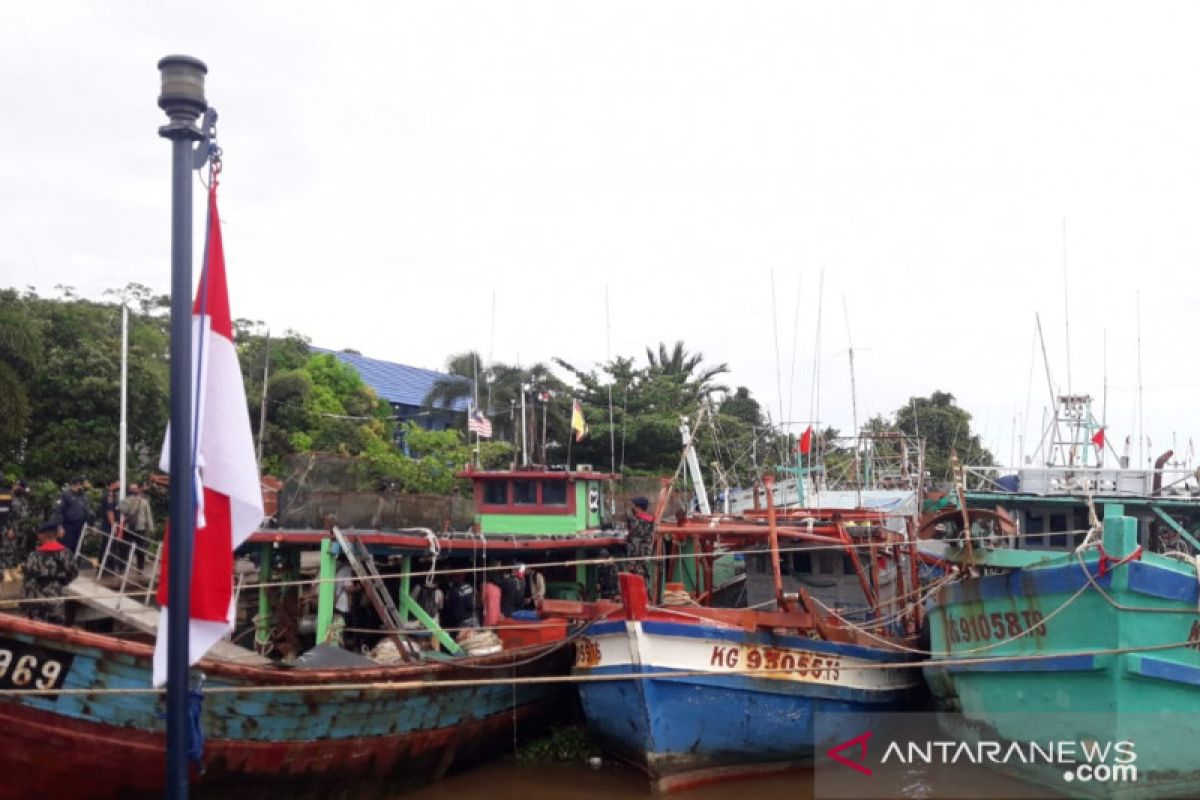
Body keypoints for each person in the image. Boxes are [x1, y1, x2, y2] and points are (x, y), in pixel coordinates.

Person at [23, 520, 78, 625]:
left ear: (42, 536)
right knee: (57, 632)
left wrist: (25, 608)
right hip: (58, 600)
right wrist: (61, 582)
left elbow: (29, 584)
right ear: (56, 534)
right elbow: (73, 573)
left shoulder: (35, 556)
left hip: (39, 603)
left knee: (39, 633)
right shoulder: (67, 554)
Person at [117, 483, 153, 572]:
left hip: (135, 528)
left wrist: (150, 527)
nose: (133, 490)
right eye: (132, 488)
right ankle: (127, 568)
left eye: (134, 489)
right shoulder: (129, 501)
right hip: (134, 528)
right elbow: (148, 515)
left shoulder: (140, 501)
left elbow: (120, 509)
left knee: (136, 549)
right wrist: (150, 528)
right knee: (128, 548)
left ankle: (137, 568)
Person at [54, 478, 90, 553]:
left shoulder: (82, 496)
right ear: (76, 485)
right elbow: (59, 511)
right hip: (68, 526)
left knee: (77, 548)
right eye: (80, 485)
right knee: (65, 549)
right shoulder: (65, 495)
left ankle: (74, 563)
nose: (82, 487)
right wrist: (60, 526)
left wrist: (89, 524)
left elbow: (86, 510)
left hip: (80, 526)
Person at [625, 496, 656, 584]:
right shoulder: (646, 520)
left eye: (634, 506)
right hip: (639, 557)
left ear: (638, 507)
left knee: (638, 580)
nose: (632, 508)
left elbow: (634, 536)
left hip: (639, 557)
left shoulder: (641, 521)